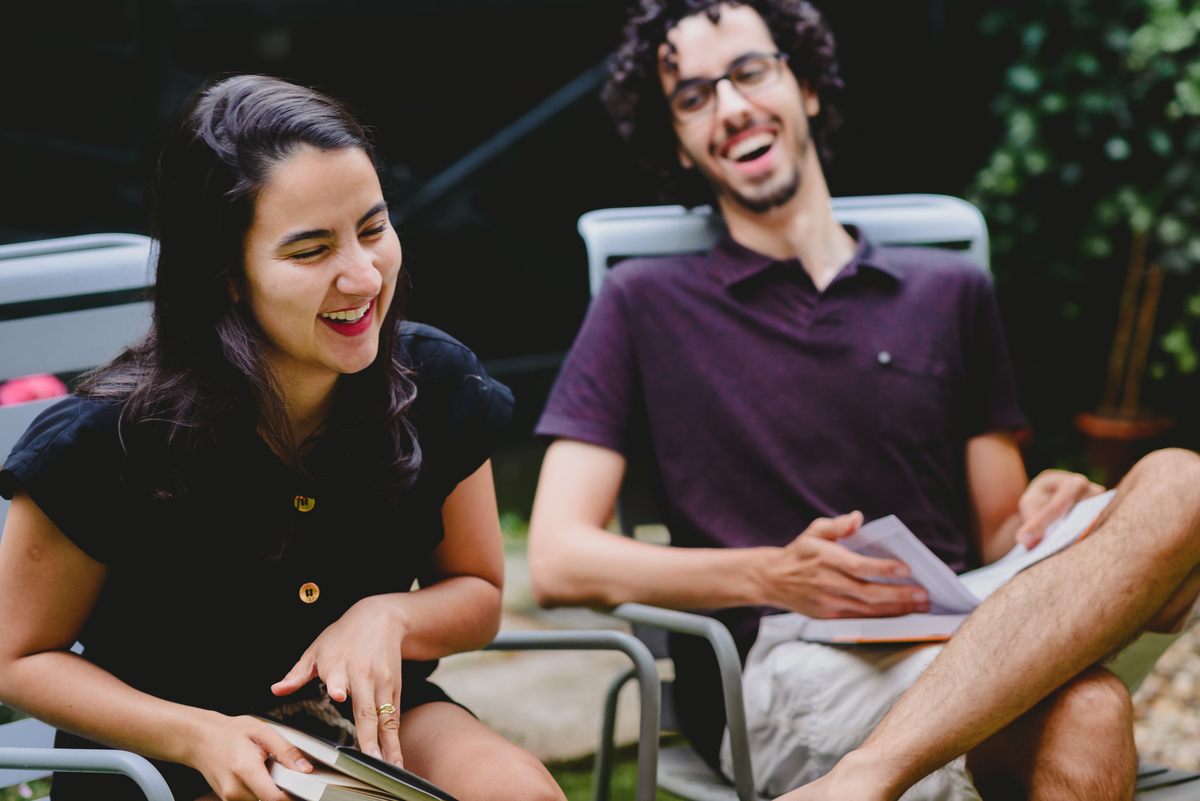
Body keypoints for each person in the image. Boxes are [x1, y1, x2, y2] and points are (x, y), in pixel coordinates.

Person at [526, 1, 1200, 798]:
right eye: (694, 97)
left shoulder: (950, 290)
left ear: (806, 85)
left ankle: (860, 781)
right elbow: (559, 557)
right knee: (1086, 709)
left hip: (972, 621)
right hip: (790, 655)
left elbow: (1000, 532)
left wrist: (1052, 508)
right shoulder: (644, 301)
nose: (731, 107)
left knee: (1182, 481)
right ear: (677, 139)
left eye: (750, 72)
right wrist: (772, 574)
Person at [0, 75, 565, 801]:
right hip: (170, 756)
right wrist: (195, 734)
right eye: (310, 250)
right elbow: (17, 657)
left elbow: (479, 592)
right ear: (225, 274)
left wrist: (390, 614)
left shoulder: (437, 382)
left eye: (373, 229)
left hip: (362, 731)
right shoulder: (103, 444)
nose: (362, 275)